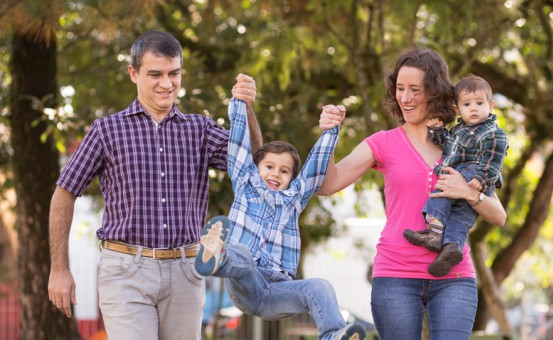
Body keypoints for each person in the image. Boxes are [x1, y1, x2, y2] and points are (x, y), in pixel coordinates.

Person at [47, 30, 262, 340]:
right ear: (134, 73)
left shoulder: (200, 130)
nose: (167, 83)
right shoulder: (107, 131)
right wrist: (59, 269)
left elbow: (255, 160)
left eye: (174, 73)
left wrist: (248, 108)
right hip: (125, 272)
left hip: (187, 270)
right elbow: (64, 194)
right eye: (155, 74)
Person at [317, 48, 507, 340]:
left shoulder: (463, 143)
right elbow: (328, 184)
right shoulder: (383, 143)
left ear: (435, 92)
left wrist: (468, 193)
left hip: (453, 277)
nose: (405, 98)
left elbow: (499, 216)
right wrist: (329, 136)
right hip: (395, 276)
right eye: (399, 89)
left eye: (415, 90)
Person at [194, 98, 366, 340]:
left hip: (277, 292)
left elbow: (315, 167)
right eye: (269, 167)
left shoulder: (295, 199)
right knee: (241, 254)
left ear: (292, 178)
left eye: (284, 171)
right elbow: (238, 144)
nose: (275, 173)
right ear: (256, 168)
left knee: (320, 287)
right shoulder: (245, 182)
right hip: (246, 285)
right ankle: (216, 258)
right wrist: (240, 102)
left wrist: (332, 129)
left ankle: (334, 335)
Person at [402, 74, 509, 277]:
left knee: (441, 191)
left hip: (474, 174)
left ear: (491, 105)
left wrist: (482, 178)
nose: (474, 108)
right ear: (457, 110)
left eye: (479, 103)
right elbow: (448, 147)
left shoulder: (494, 132)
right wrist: (437, 131)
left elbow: (494, 158)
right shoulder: (459, 130)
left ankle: (434, 230)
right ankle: (451, 248)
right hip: (466, 178)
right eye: (467, 104)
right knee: (461, 218)